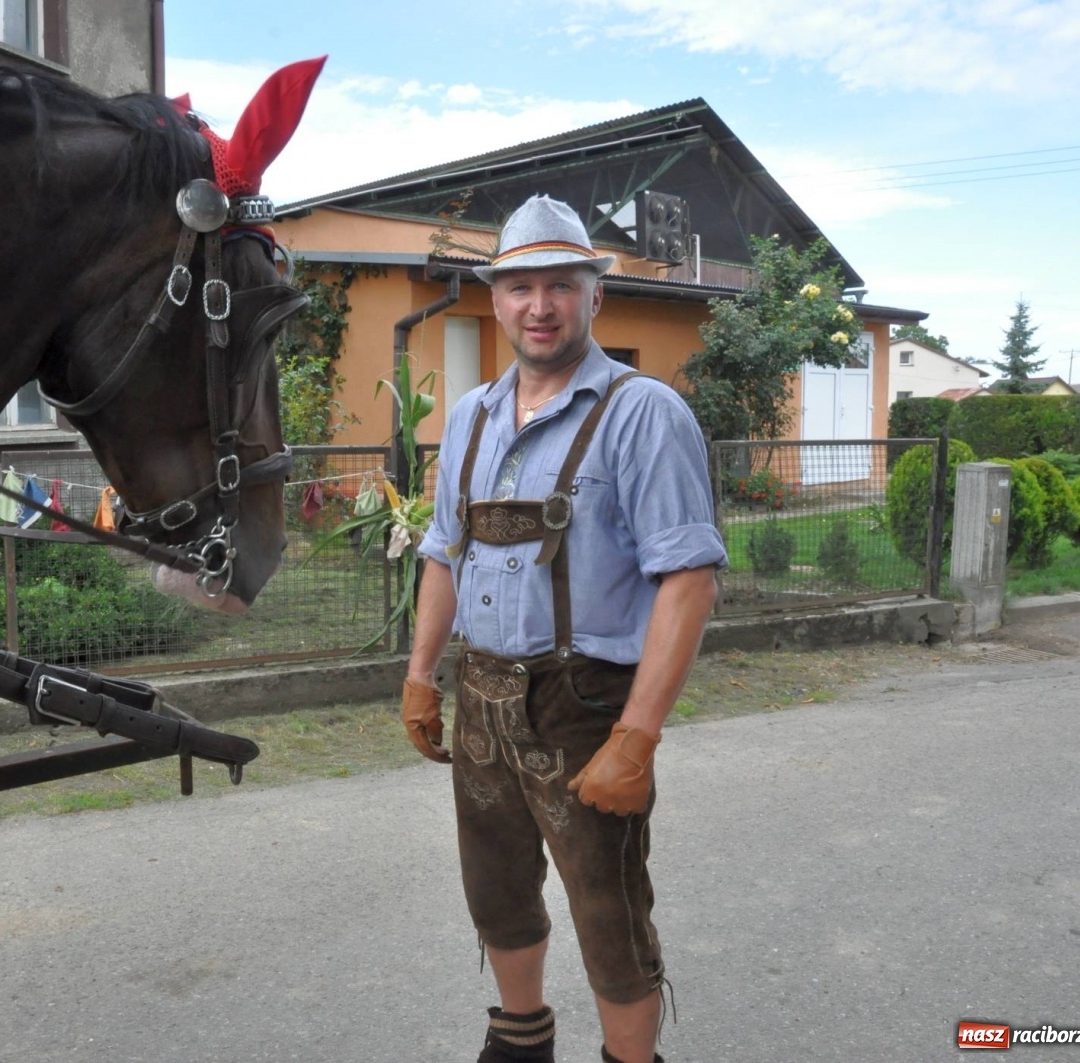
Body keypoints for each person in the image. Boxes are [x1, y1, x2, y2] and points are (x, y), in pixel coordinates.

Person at [402, 195, 727, 1063]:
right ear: (497, 299)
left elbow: (688, 579)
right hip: (482, 692)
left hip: (585, 704)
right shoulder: (471, 417)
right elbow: (443, 554)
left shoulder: (643, 412)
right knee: (496, 887)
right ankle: (521, 1038)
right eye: (521, 288)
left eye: (560, 285)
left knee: (607, 906)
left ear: (595, 295)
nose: (539, 306)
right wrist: (420, 674)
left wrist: (638, 736)